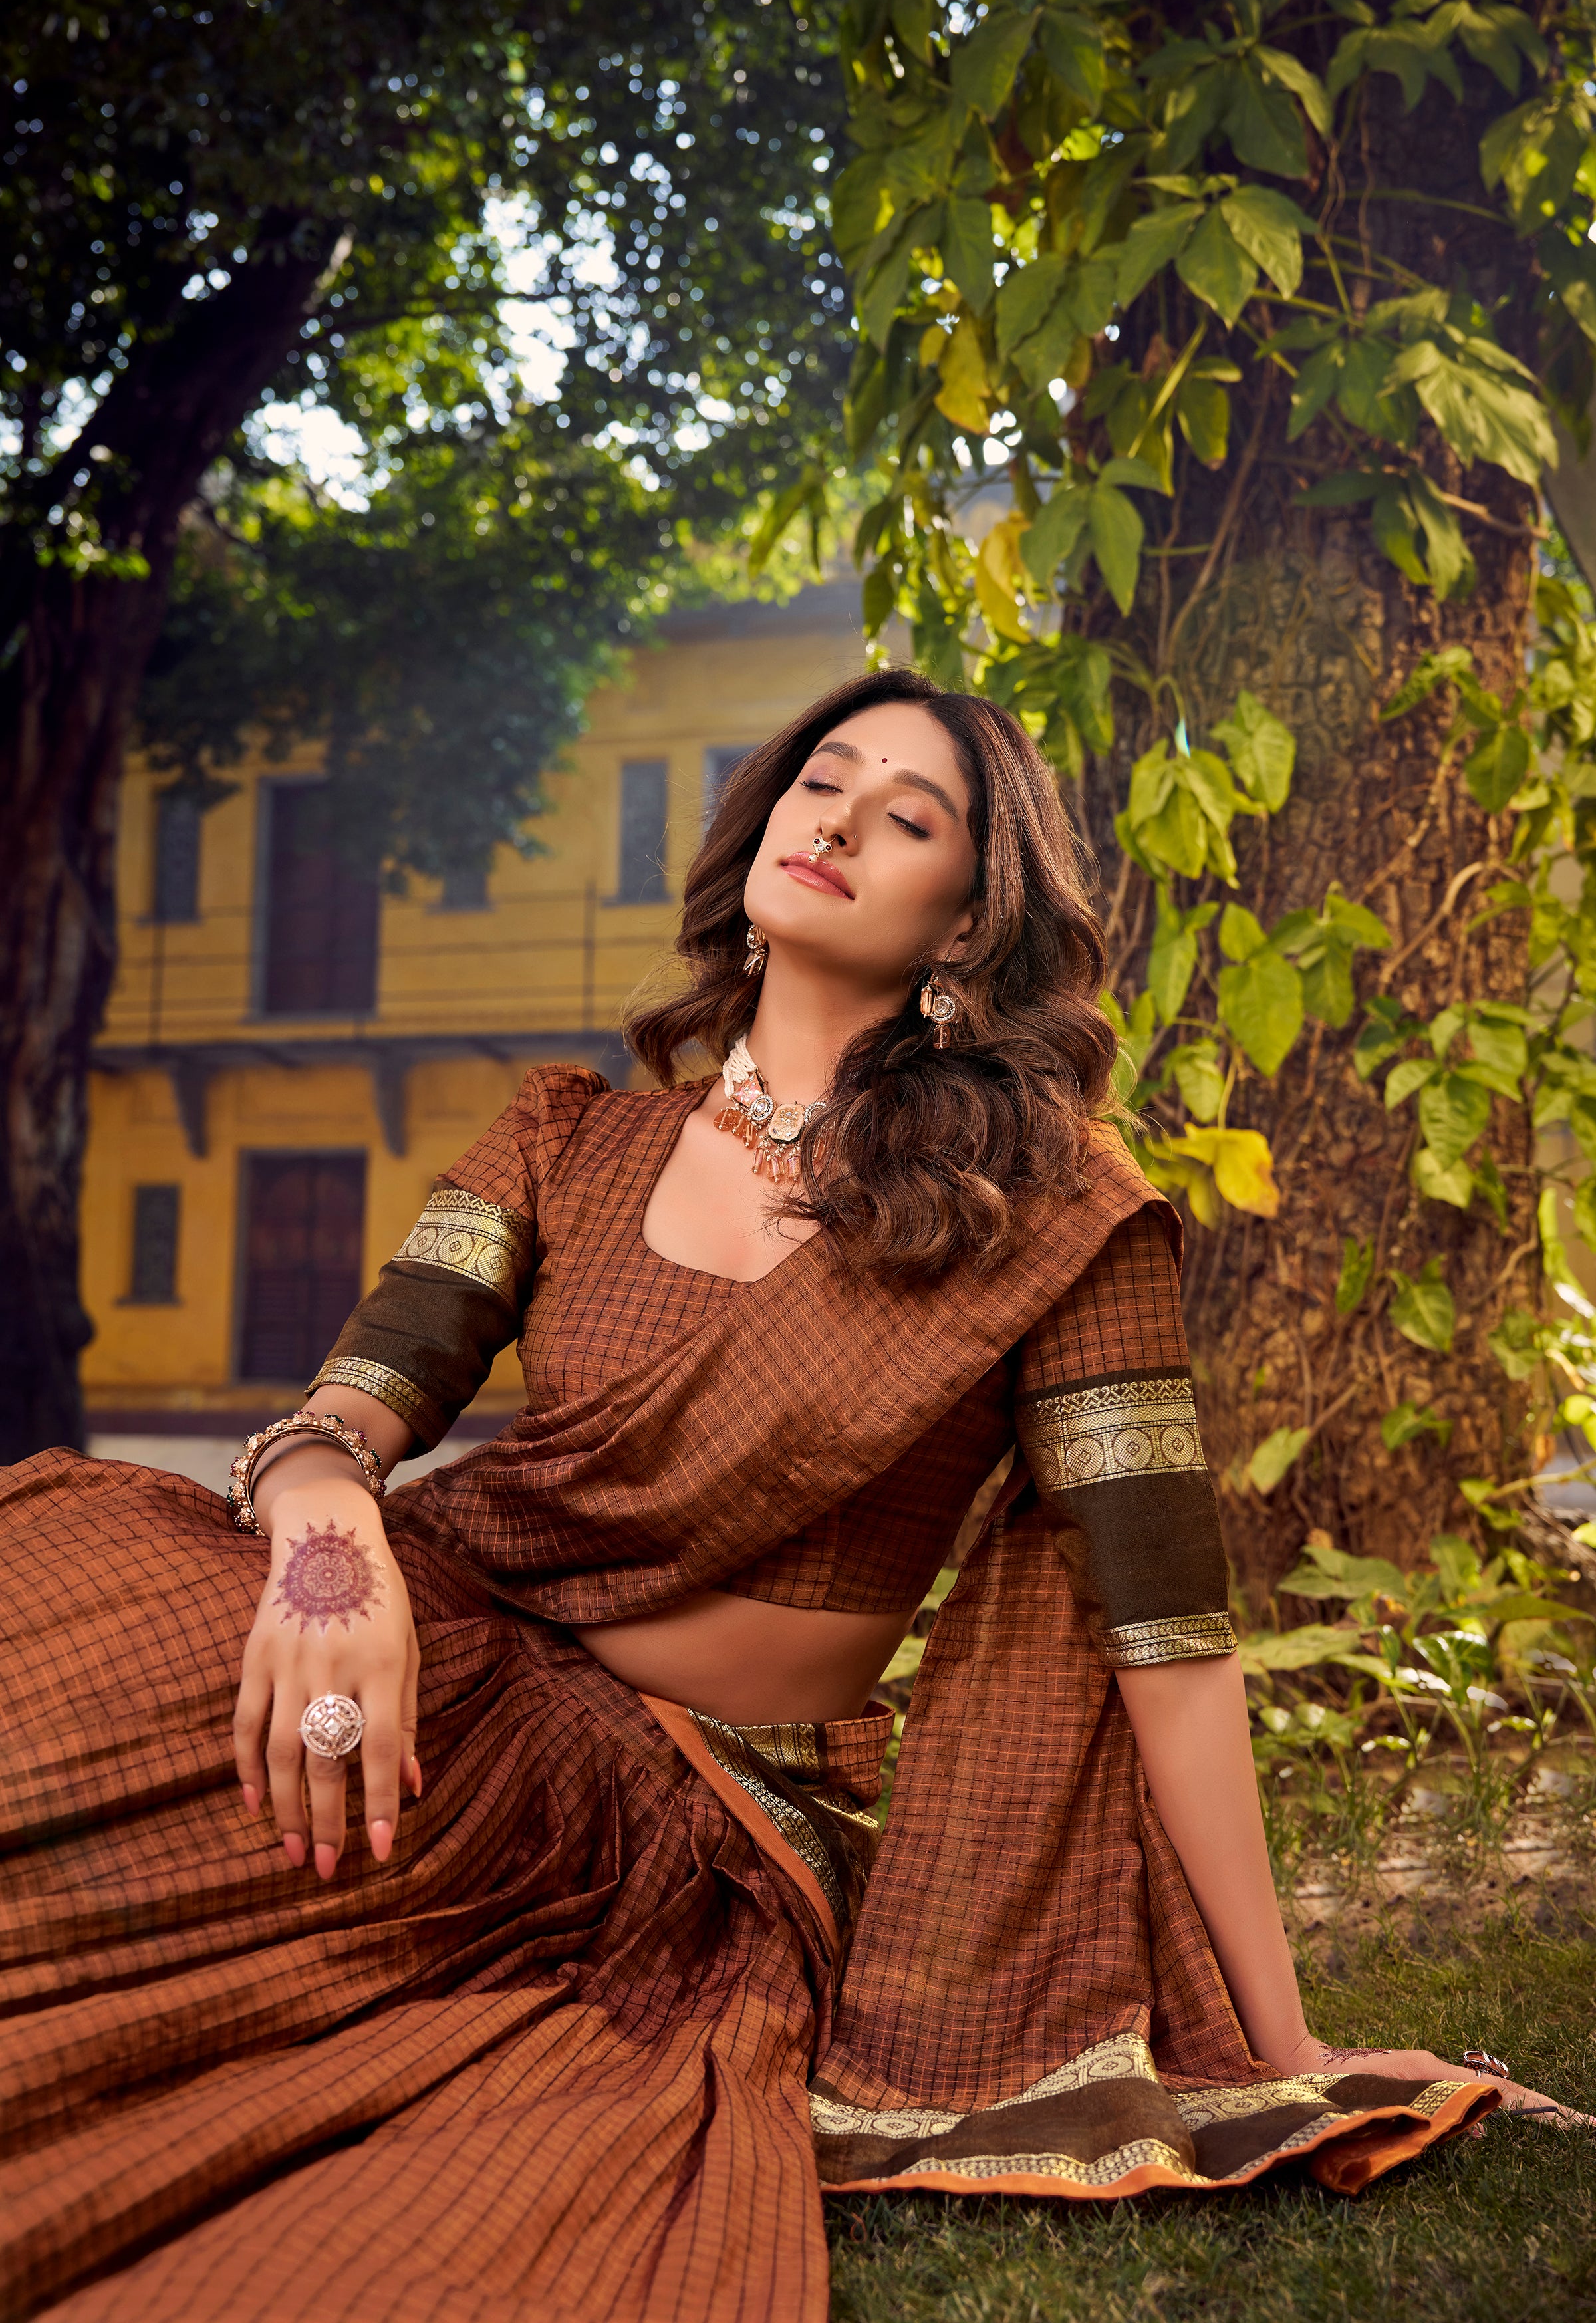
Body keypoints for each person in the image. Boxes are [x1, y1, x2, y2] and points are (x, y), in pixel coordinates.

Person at [0, 670, 1563, 2323]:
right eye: (825, 780)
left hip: (667, 1819)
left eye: (910, 816)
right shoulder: (564, 1141)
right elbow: (349, 1412)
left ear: (967, 921)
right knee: (72, 1638)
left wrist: (1283, 2037)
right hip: (431, 1660)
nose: (841, 821)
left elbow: (1166, 1634)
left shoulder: (1041, 1214)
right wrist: (332, 1556)